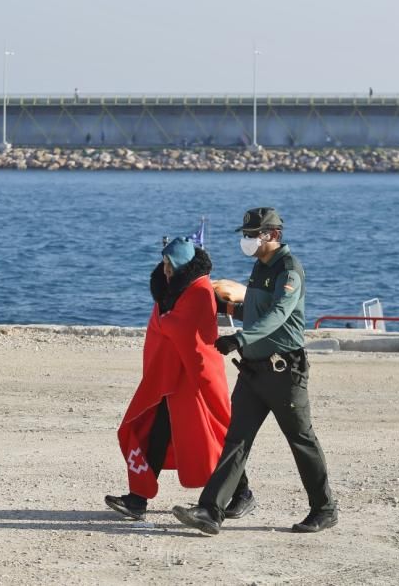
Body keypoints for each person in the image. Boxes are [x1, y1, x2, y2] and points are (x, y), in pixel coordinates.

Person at [172, 207, 338, 535]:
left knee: (300, 439)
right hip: (252, 372)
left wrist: (239, 338)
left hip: (283, 372)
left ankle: (324, 508)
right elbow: (255, 308)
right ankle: (210, 511)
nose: (247, 241)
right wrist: (226, 308)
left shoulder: (288, 270)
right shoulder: (259, 267)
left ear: (273, 235)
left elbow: (278, 314)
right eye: (245, 235)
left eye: (253, 235)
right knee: (236, 439)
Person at [105, 237, 254, 521]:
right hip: (170, 377)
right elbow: (167, 327)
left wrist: (164, 322)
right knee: (157, 433)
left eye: (170, 265)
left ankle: (243, 492)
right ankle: (138, 498)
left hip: (196, 377)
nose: (166, 270)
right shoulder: (170, 292)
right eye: (163, 264)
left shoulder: (198, 292)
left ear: (182, 265)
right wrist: (165, 323)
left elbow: (185, 331)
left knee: (216, 433)